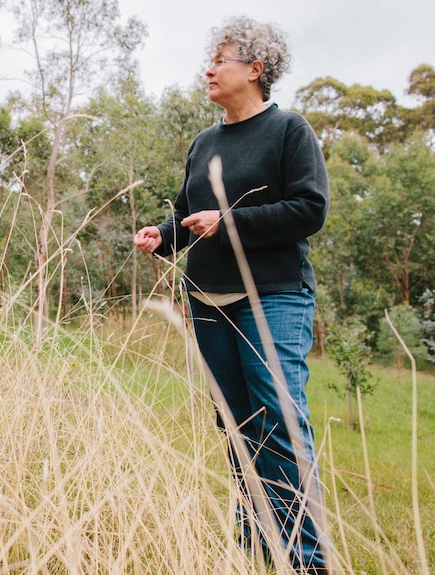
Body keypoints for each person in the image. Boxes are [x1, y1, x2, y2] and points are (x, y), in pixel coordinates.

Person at [134, 16, 332, 575]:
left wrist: (229, 221)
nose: (209, 68)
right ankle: (255, 545)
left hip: (273, 298)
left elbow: (310, 210)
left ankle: (307, 560)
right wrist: (162, 236)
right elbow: (185, 215)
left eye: (220, 59)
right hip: (209, 302)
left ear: (256, 68)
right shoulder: (203, 141)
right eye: (210, 60)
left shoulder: (290, 130)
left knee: (279, 421)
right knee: (238, 427)